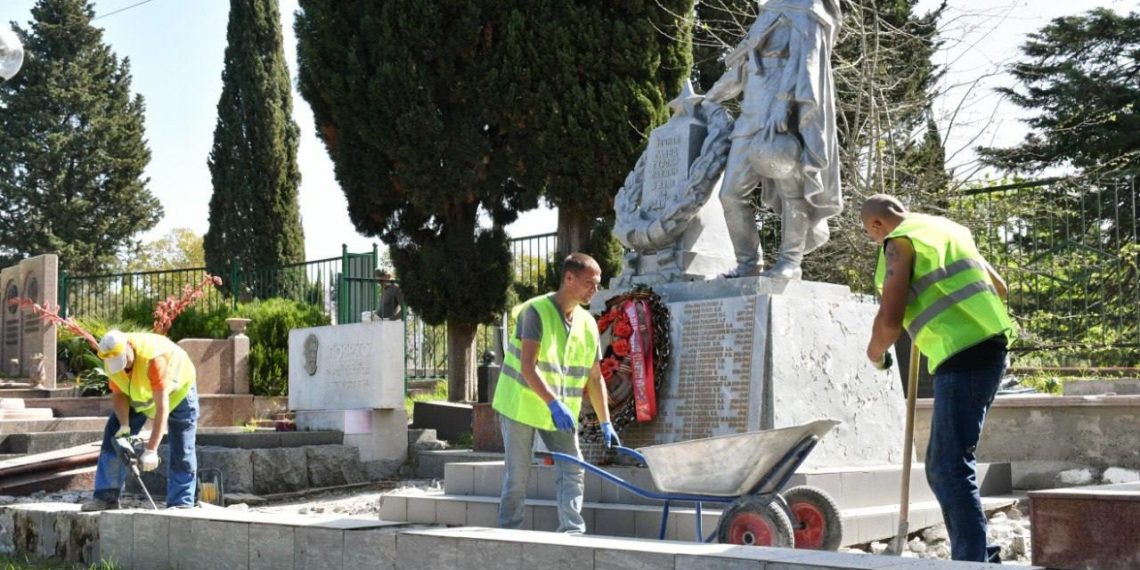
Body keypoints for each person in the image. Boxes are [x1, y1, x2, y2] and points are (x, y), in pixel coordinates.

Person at [861, 194, 1014, 562]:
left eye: (869, 233)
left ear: (877, 224)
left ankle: (974, 561)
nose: (873, 240)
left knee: (947, 468)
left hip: (962, 357)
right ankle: (978, 554)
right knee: (946, 465)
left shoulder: (899, 244)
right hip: (989, 349)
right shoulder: (949, 230)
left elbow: (890, 322)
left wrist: (874, 354)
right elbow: (1001, 288)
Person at [703, 0, 843, 279]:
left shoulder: (808, 7)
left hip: (783, 118)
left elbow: (807, 60)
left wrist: (783, 102)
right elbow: (742, 71)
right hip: (750, 119)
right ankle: (749, 263)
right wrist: (708, 98)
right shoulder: (767, 12)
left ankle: (790, 262)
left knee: (792, 191)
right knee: (730, 194)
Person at [492, 253, 618, 533]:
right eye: (589, 283)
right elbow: (527, 366)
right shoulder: (535, 312)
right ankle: (508, 531)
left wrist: (605, 420)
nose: (594, 290)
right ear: (569, 278)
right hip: (521, 405)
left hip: (559, 412)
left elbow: (595, 379)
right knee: (518, 475)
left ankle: (572, 531)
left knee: (573, 467)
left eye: (597, 284)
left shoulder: (587, 324)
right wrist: (554, 404)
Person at [82, 330, 199, 510]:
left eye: (123, 361)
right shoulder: (110, 357)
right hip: (140, 393)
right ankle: (106, 498)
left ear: (128, 346)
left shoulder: (153, 358)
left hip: (178, 391)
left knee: (182, 445)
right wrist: (124, 425)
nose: (120, 367)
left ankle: (181, 503)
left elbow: (162, 408)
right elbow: (119, 393)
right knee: (114, 437)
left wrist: (151, 449)